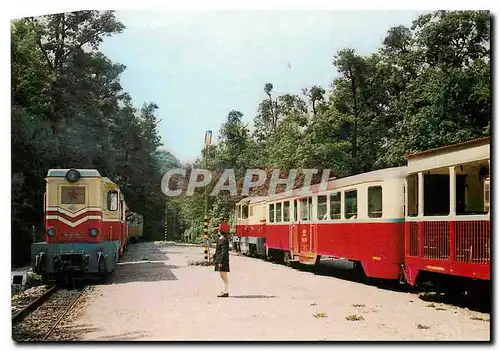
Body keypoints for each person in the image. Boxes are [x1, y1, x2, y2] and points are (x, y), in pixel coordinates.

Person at [213, 222, 230, 297]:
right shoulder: (221, 239)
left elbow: (224, 252)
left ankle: (225, 292)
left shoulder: (224, 240)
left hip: (223, 261)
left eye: (219, 229)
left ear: (221, 231)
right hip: (221, 260)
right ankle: (225, 290)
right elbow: (218, 251)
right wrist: (214, 257)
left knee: (223, 276)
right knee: (222, 276)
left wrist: (220, 262)